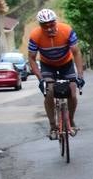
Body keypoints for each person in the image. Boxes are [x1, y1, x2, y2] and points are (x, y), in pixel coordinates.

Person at [26, 8, 85, 138]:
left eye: (51, 24)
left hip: (66, 63)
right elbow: (31, 58)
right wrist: (40, 79)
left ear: (55, 22)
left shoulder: (67, 30)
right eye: (44, 26)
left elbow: (76, 52)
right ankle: (53, 126)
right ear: (40, 25)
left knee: (72, 93)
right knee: (49, 92)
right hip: (48, 65)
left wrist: (80, 76)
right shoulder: (35, 36)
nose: (48, 28)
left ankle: (71, 120)